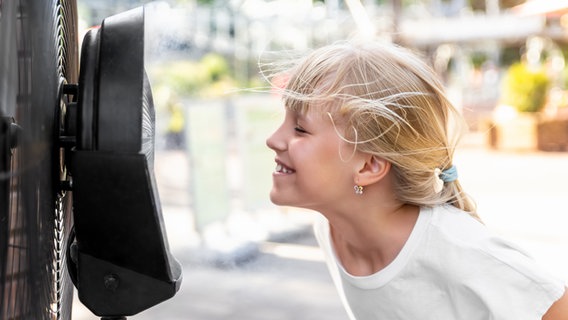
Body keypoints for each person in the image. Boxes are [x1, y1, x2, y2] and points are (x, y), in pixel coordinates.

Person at [264, 40, 568, 319]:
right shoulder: (333, 230)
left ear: (369, 165)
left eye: (300, 129)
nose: (273, 139)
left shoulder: (465, 253)